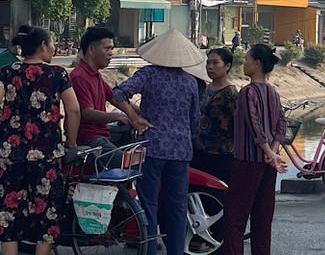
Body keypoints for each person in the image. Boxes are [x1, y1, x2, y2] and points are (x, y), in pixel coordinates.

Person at [112, 28, 202, 255]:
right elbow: (195, 122)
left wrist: (134, 118)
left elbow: (119, 94)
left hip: (150, 148)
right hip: (181, 152)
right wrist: (185, 139)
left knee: (148, 205)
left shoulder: (148, 74)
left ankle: (149, 250)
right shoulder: (191, 82)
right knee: (177, 207)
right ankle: (176, 252)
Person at [0, 26, 81, 254]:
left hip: (9, 153)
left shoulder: (6, 72)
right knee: (47, 211)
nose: (55, 49)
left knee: (9, 209)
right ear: (43, 46)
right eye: (53, 44)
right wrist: (70, 142)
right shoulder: (57, 74)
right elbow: (73, 110)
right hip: (46, 154)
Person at [222, 44, 287, 255]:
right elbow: (281, 126)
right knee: (262, 218)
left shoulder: (247, 91)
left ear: (257, 63)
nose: (244, 62)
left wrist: (269, 153)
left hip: (248, 161)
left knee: (234, 218)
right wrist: (273, 154)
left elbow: (254, 125)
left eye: (247, 58)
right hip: (269, 165)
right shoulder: (273, 92)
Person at [69, 27, 151, 169]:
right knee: (130, 164)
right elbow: (87, 113)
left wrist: (146, 113)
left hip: (102, 135)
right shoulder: (79, 76)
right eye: (107, 48)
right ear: (92, 49)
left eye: (112, 49)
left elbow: (117, 99)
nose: (111, 53)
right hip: (89, 139)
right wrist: (118, 117)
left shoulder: (96, 75)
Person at [191, 48, 238, 185]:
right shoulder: (208, 89)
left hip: (222, 155)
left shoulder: (231, 93)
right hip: (201, 151)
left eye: (215, 63)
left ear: (227, 66)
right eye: (208, 63)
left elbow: (239, 124)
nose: (210, 67)